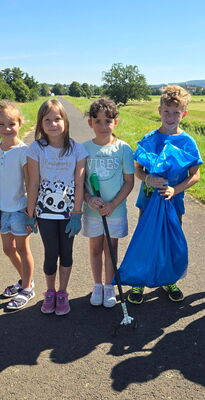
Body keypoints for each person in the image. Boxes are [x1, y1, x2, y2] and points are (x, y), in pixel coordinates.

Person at [127, 85, 203, 304]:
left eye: (176, 112)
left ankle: (170, 279)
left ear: (184, 114)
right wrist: (147, 178)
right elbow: (138, 169)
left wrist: (174, 190)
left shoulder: (187, 142)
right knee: (146, 239)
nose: (171, 116)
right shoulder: (150, 138)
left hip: (174, 201)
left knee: (171, 240)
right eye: (167, 111)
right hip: (148, 201)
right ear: (159, 111)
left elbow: (195, 175)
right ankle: (138, 281)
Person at [26, 99, 88, 315]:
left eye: (57, 119)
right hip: (45, 212)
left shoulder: (77, 149)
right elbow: (33, 182)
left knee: (66, 252)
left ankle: (63, 292)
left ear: (65, 121)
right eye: (47, 120)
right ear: (40, 124)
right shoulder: (36, 148)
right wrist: (29, 213)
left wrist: (77, 213)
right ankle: (50, 292)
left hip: (69, 213)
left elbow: (79, 182)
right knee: (51, 252)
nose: (53, 124)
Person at [82, 98, 134, 308]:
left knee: (111, 249)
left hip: (115, 211)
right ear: (90, 123)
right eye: (98, 121)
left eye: (108, 121)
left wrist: (112, 205)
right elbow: (80, 183)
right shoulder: (84, 149)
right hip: (93, 212)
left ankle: (108, 285)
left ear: (116, 122)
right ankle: (97, 285)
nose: (103, 126)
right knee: (95, 248)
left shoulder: (124, 149)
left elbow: (129, 182)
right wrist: (89, 198)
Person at [0, 100, 35, 310]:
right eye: (1, 124)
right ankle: (24, 279)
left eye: (11, 124)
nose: (6, 129)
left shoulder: (24, 151)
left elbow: (30, 183)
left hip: (20, 209)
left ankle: (28, 287)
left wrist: (31, 212)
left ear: (20, 124)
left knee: (22, 248)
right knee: (7, 248)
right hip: (2, 210)